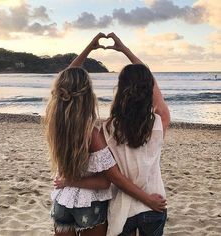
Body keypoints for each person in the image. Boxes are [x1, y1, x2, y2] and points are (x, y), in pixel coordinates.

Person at [46, 33, 167, 236]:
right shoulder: (156, 124)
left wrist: (88, 48)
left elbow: (63, 85)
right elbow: (110, 180)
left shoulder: (100, 128)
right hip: (135, 204)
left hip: (87, 205)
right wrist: (126, 51)